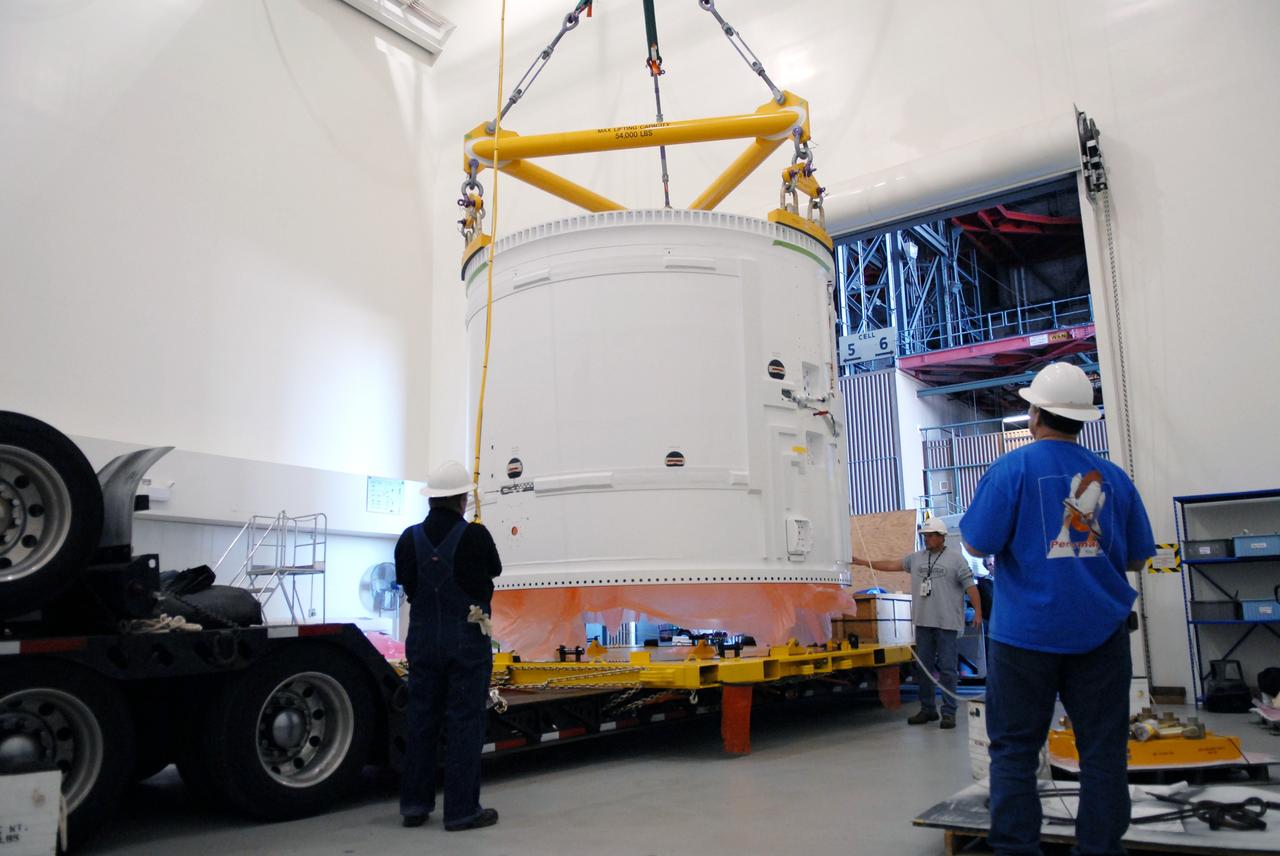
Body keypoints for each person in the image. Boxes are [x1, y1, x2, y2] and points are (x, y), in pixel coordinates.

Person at [960, 362, 1155, 856]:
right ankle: (1100, 849)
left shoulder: (1011, 470)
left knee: (1015, 751)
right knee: (1103, 753)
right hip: (1102, 635)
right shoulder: (1112, 477)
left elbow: (978, 540)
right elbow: (1134, 556)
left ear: (1034, 414)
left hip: (1024, 636)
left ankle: (1016, 848)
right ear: (1082, 419)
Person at [396, 460, 502, 831]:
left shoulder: (407, 539)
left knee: (421, 719)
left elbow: (407, 584)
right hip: (465, 643)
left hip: (422, 640)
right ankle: (461, 811)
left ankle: (414, 805)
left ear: (430, 499)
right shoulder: (476, 535)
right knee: (464, 722)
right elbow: (495, 571)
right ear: (462, 499)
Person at [852, 517, 982, 729]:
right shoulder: (916, 559)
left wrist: (977, 612)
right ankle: (927, 709)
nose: (927, 539)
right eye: (925, 536)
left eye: (931, 535)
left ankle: (949, 712)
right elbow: (892, 565)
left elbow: (971, 587)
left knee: (948, 670)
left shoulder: (956, 560)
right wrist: (864, 562)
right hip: (923, 622)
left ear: (941, 537)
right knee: (924, 668)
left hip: (947, 623)